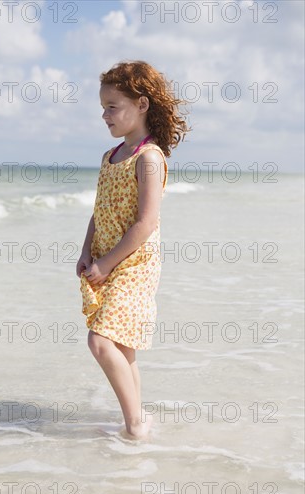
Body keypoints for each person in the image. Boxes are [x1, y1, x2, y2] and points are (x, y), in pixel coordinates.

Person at [76, 60, 190, 439]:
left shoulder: (150, 159)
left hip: (134, 263)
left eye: (112, 106)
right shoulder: (109, 158)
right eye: (103, 107)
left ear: (141, 105)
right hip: (106, 258)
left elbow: (146, 223)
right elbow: (100, 211)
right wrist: (86, 252)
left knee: (99, 340)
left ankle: (135, 424)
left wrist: (107, 263)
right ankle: (138, 420)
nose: (104, 115)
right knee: (122, 348)